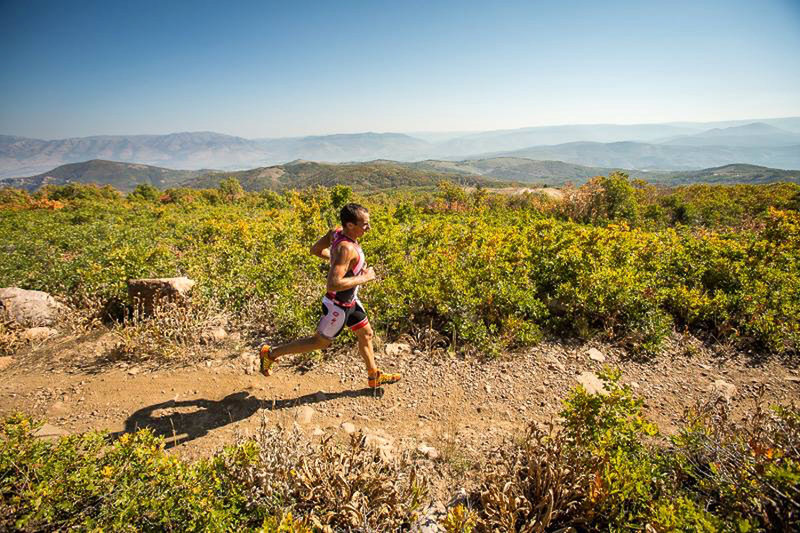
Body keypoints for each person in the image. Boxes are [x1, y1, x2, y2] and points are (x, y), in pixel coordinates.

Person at [259, 203, 401, 389]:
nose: (369, 228)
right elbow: (333, 283)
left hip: (351, 301)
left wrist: (342, 264)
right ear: (350, 225)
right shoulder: (346, 248)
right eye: (364, 224)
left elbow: (316, 250)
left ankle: (374, 376)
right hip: (338, 306)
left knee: (366, 334)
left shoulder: (335, 233)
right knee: (320, 342)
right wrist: (364, 277)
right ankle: (270, 354)